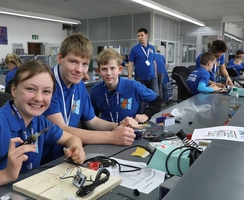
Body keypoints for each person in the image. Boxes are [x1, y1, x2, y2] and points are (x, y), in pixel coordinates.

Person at [0, 60, 85, 199]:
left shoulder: (39, 121)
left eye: (46, 91)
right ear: (14, 90)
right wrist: (4, 175)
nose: (38, 98)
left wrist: (76, 149)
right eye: (30, 89)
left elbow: (72, 138)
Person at [42, 33, 138, 163]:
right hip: (45, 159)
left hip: (71, 155)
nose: (79, 70)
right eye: (73, 61)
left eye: (85, 64)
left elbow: (92, 121)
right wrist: (111, 137)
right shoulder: (47, 85)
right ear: (60, 58)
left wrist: (119, 126)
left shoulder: (79, 85)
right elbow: (61, 129)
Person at [90, 48, 161, 124]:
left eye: (112, 68)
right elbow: (91, 118)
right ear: (98, 71)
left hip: (130, 131)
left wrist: (145, 115)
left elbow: (157, 100)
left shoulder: (133, 86)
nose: (108, 73)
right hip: (107, 132)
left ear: (120, 69)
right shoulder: (95, 91)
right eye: (104, 69)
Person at [127, 28, 159, 96]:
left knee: (155, 97)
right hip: (140, 78)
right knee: (141, 98)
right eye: (138, 36)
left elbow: (154, 61)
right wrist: (129, 75)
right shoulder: (134, 49)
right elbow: (130, 63)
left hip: (152, 77)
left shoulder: (151, 48)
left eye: (142, 35)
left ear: (147, 35)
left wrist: (155, 73)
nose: (140, 37)